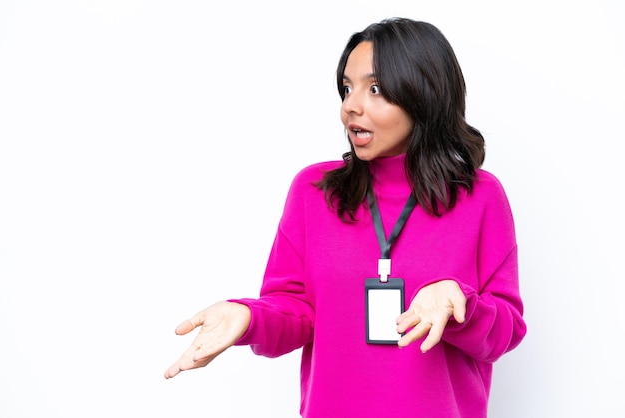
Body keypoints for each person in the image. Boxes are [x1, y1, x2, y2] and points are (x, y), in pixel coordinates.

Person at [164, 17, 527, 418]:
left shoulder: (480, 197)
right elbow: (295, 313)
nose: (350, 106)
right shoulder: (313, 191)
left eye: (374, 89)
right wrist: (248, 317)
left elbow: (505, 332)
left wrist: (461, 303)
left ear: (423, 94)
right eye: (347, 88)